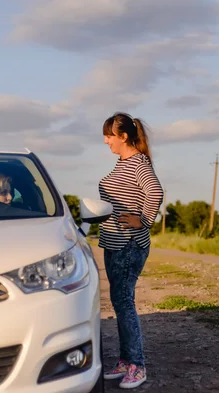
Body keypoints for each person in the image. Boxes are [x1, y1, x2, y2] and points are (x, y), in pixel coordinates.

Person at [99, 112, 164, 389]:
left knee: (124, 302)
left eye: (109, 136)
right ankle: (126, 361)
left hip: (129, 244)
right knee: (119, 302)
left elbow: (156, 191)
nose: (106, 141)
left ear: (123, 136)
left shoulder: (138, 162)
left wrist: (144, 220)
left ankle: (137, 365)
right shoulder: (121, 164)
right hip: (114, 243)